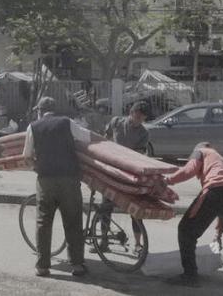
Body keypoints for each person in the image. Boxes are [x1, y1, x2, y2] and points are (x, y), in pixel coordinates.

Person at [22, 96, 90, 278]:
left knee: (43, 222)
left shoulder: (33, 127)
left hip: (46, 181)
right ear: (54, 110)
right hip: (69, 179)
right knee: (73, 221)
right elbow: (87, 137)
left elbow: (27, 156)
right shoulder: (66, 123)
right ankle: (77, 265)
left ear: (40, 111)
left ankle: (42, 266)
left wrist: (36, 166)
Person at [165, 142, 223, 289]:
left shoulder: (200, 151)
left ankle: (190, 276)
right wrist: (218, 234)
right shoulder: (221, 158)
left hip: (216, 190)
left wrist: (167, 181)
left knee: (185, 230)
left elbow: (189, 170)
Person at [94, 101, 149, 254]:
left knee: (134, 209)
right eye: (136, 116)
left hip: (130, 174)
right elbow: (105, 139)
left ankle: (138, 244)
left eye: (141, 118)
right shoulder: (116, 122)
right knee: (106, 206)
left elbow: (137, 155)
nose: (137, 121)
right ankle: (103, 240)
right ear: (131, 113)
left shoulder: (144, 133)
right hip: (112, 171)